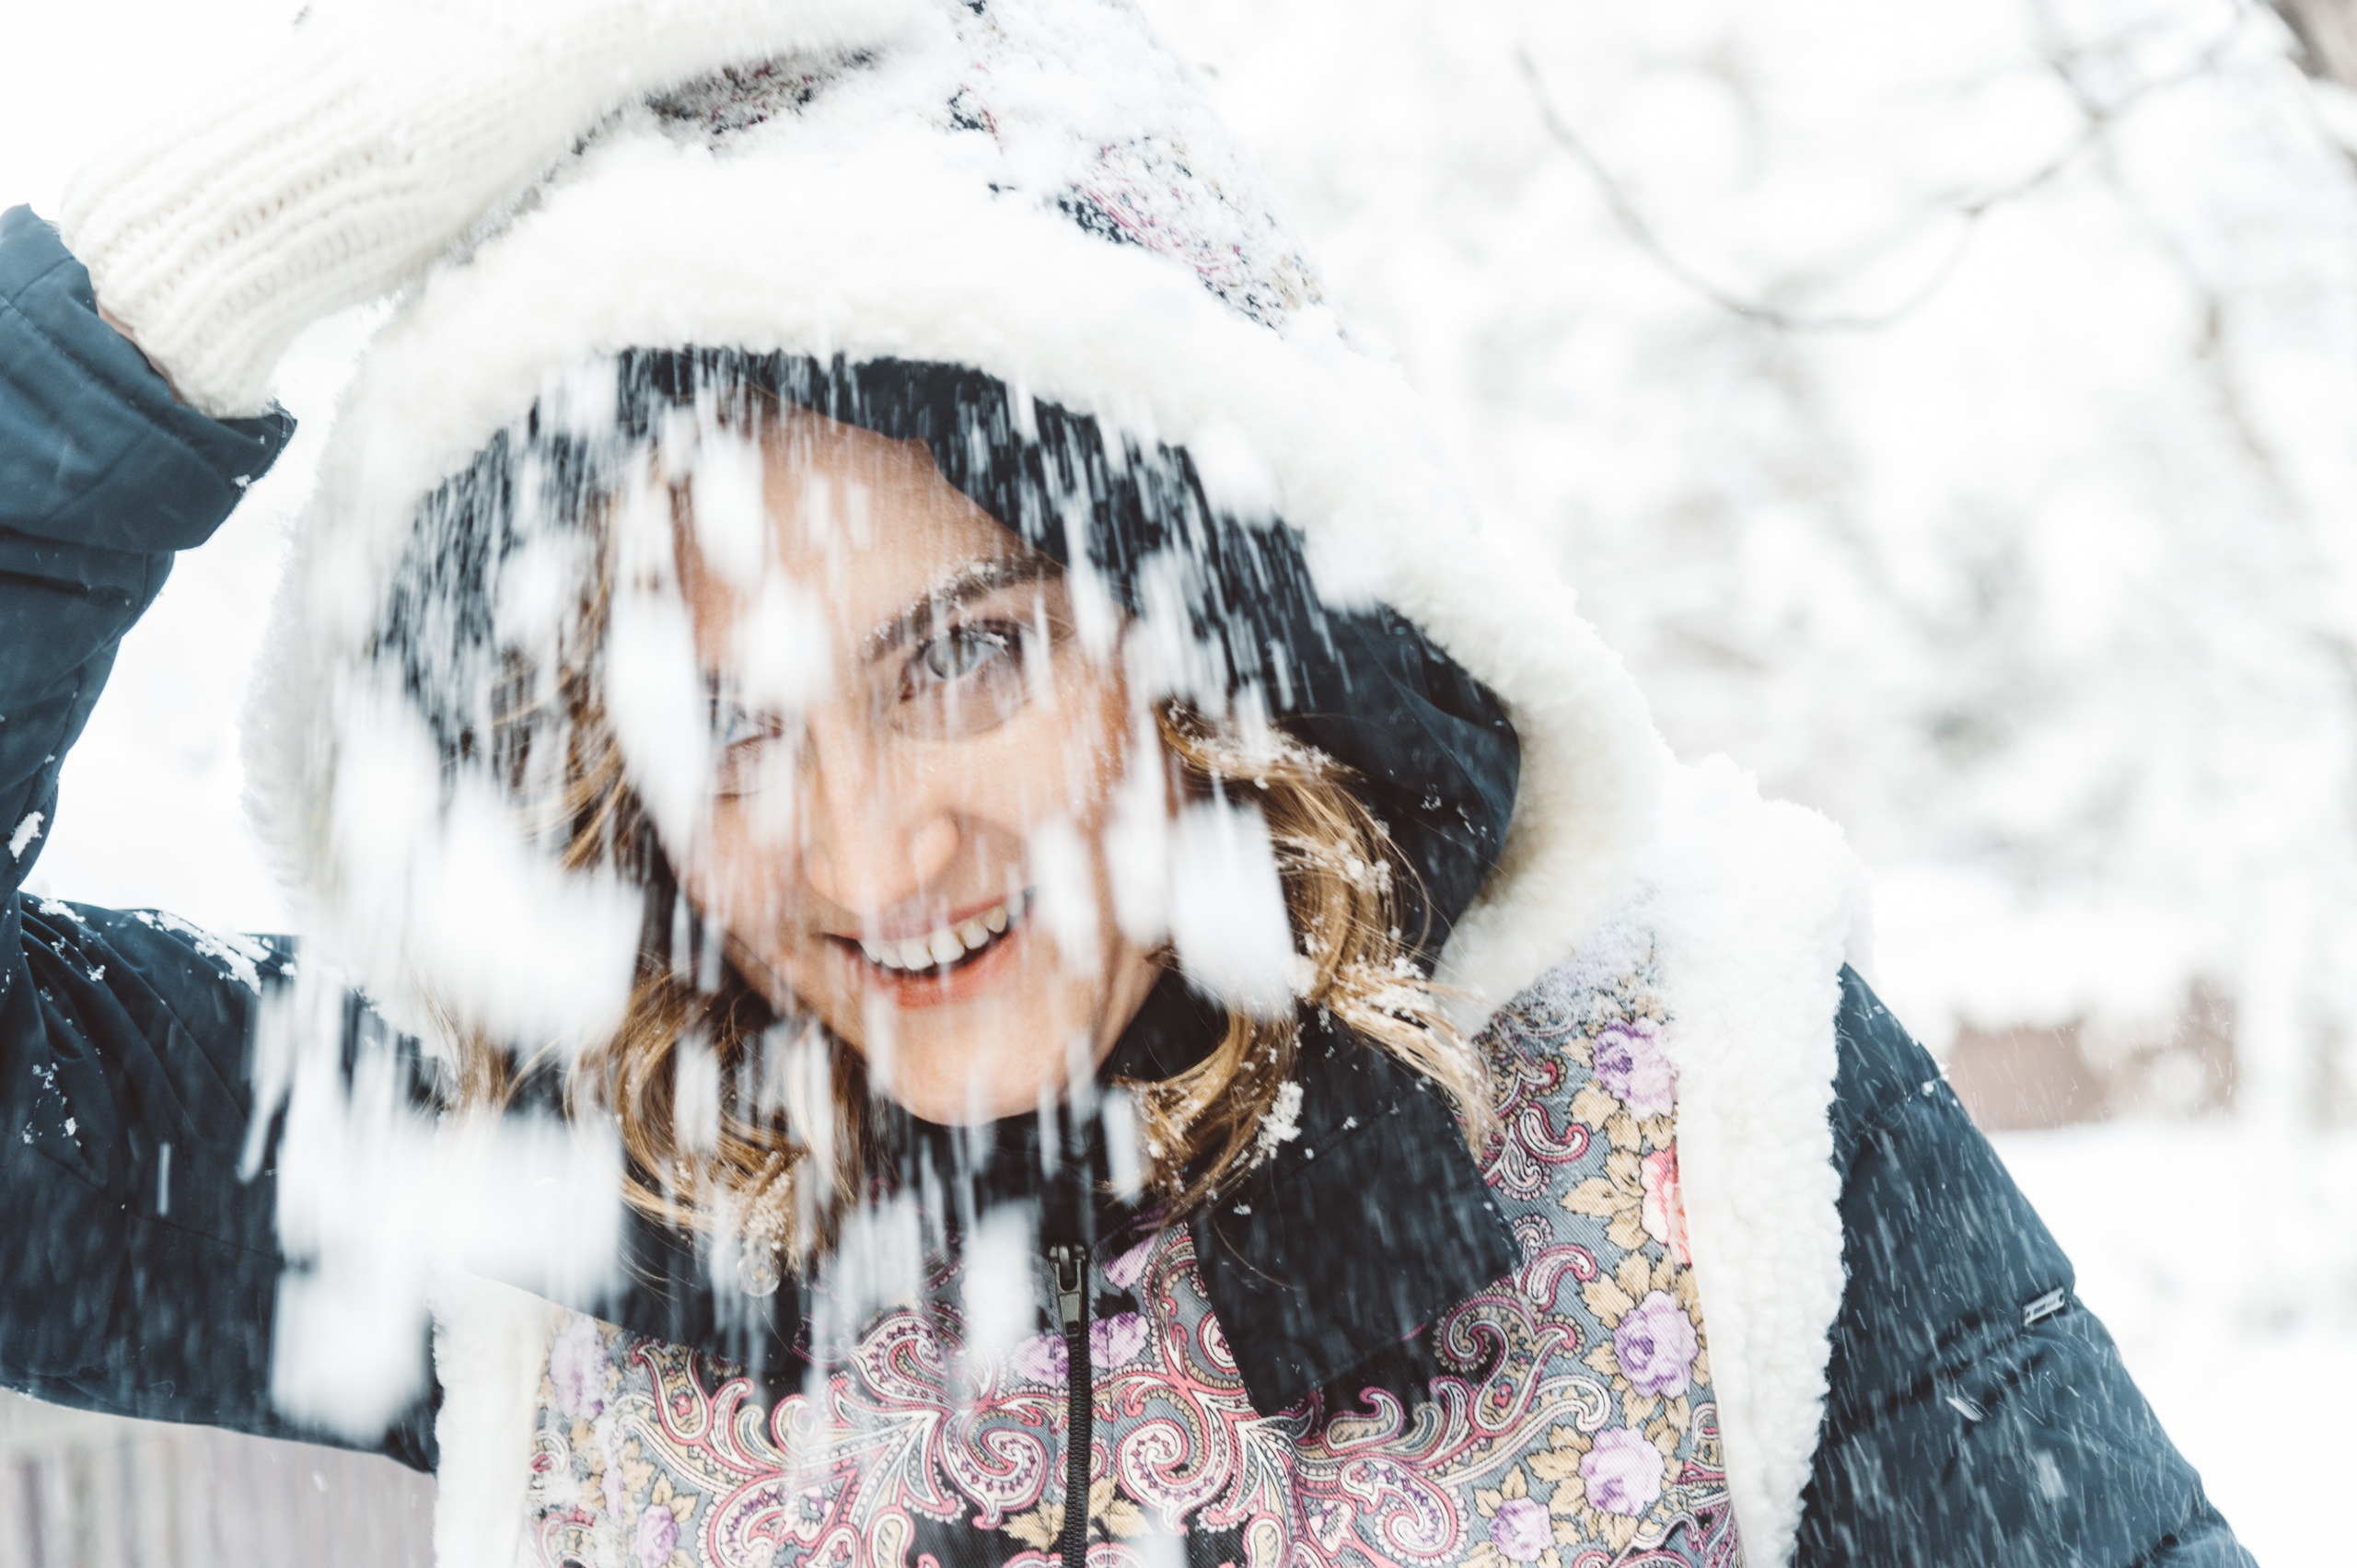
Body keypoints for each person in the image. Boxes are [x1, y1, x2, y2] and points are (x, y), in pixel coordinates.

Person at [0, 2, 2252, 1565]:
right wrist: (180, 280)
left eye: (962, 653)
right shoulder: (533, 1178)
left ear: (1201, 630)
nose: (877, 851)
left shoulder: (1709, 1120)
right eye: (737, 725)